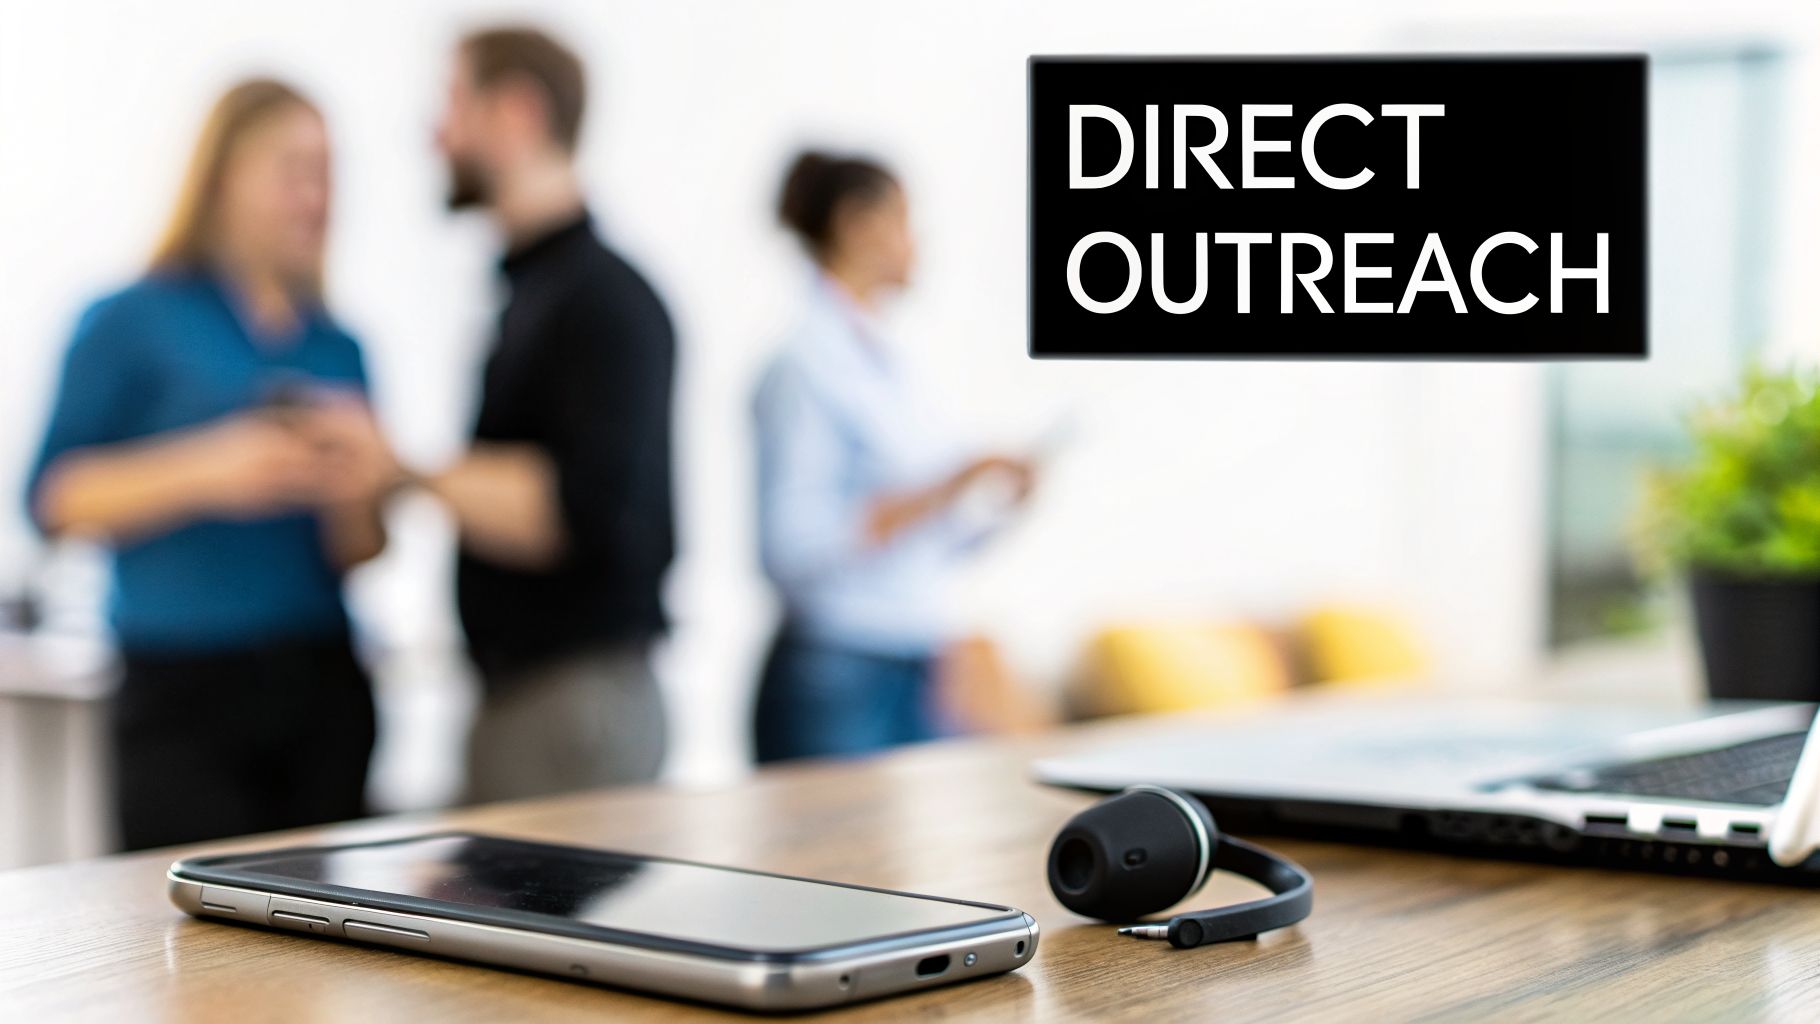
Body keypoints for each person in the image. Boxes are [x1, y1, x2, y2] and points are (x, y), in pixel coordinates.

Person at [25, 79, 395, 850]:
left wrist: (358, 486)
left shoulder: (338, 344)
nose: (315, 196)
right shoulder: (130, 320)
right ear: (224, 175)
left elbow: (362, 550)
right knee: (190, 948)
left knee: (324, 949)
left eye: (326, 173)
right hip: (180, 691)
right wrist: (212, 470)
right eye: (293, 169)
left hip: (321, 683)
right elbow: (53, 499)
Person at [425, 27, 676, 800]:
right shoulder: (537, 294)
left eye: (456, 102)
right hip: (537, 701)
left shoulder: (600, 301)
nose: (438, 132)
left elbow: (577, 511)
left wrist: (398, 469)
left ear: (517, 113)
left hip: (570, 709)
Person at [752, 150, 1037, 763]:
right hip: (837, 668)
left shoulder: (892, 364)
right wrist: (945, 487)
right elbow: (793, 547)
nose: (917, 242)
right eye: (905, 221)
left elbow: (933, 544)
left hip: (913, 656)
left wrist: (1000, 501)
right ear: (859, 226)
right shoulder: (804, 366)